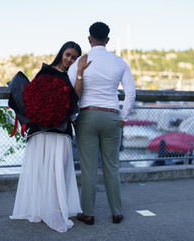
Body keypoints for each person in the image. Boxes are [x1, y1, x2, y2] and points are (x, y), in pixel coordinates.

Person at [9, 41, 86, 233]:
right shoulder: (44, 72)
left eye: (74, 57)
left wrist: (79, 73)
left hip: (62, 130)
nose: (69, 59)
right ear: (62, 53)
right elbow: (32, 97)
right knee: (43, 170)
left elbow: (75, 99)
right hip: (41, 129)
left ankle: (57, 209)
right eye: (68, 54)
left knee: (59, 169)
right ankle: (42, 209)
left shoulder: (72, 75)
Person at [68, 22, 136, 225]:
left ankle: (88, 213)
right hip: (111, 115)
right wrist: (123, 117)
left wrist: (73, 118)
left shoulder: (79, 62)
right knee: (112, 166)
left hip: (87, 116)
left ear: (89, 39)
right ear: (107, 40)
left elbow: (70, 93)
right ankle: (116, 212)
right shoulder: (119, 62)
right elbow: (130, 93)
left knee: (89, 168)